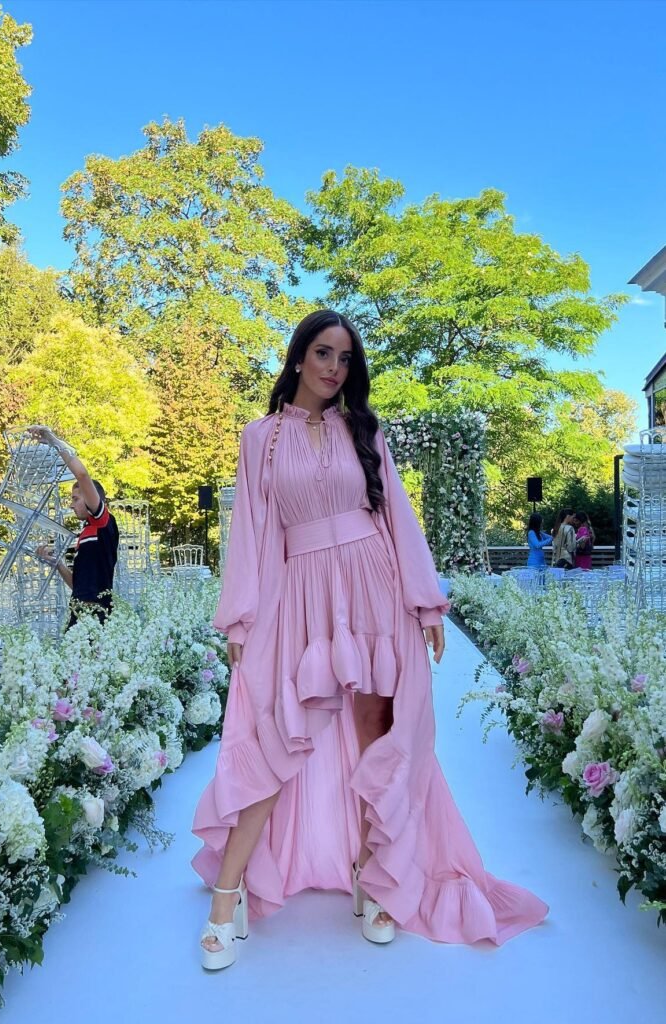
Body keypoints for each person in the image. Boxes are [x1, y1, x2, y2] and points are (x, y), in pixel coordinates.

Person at [191, 309, 548, 970]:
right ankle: (227, 893)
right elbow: (252, 535)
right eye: (323, 354)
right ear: (299, 357)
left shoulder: (366, 431)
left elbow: (397, 519)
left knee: (375, 737)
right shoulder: (258, 438)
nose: (334, 368)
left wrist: (425, 601)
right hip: (302, 595)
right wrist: (241, 616)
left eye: (345, 358)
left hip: (370, 586)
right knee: (278, 736)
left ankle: (373, 876)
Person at [30, 425, 119, 628]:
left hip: (97, 616)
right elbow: (77, 586)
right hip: (79, 612)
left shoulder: (103, 522)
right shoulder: (87, 532)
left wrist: (55, 442)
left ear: (93, 500)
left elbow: (82, 475)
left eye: (75, 498)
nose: (71, 504)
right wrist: (58, 564)